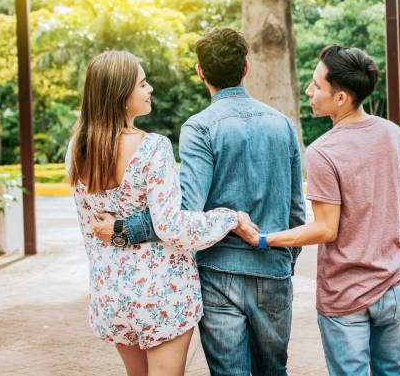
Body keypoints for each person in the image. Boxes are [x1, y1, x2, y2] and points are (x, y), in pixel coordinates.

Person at [91, 28, 306, 376]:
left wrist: (125, 228)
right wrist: (285, 263)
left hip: (219, 273)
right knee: (273, 370)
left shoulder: (199, 128)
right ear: (246, 68)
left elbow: (183, 209)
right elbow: (297, 208)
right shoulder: (282, 125)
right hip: (273, 268)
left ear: (200, 72)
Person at [66, 50, 257, 376]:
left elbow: (91, 230)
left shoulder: (77, 150)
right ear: (121, 95)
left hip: (110, 292)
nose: (150, 89)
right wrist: (229, 217)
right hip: (159, 293)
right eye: (142, 84)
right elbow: (172, 228)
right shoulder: (152, 147)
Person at [242, 44, 400, 376]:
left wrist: (263, 239)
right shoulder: (394, 135)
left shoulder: (324, 151)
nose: (309, 91)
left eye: (317, 85)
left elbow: (325, 229)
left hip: (346, 295)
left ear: (341, 98)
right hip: (394, 286)